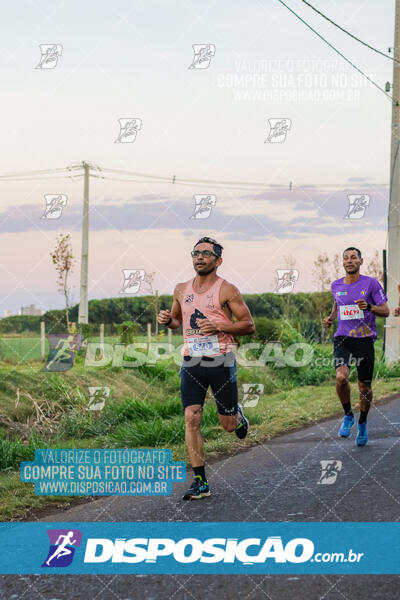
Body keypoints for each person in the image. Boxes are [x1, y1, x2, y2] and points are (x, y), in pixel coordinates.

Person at [158, 236, 255, 499]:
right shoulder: (180, 289)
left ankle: (237, 416)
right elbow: (178, 321)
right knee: (192, 416)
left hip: (221, 360)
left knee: (227, 425)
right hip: (192, 360)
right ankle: (200, 481)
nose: (199, 257)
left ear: (218, 260)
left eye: (206, 253)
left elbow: (248, 325)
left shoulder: (228, 290)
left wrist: (220, 326)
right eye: (195, 253)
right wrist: (167, 320)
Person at [323, 247, 389, 446]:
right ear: (342, 263)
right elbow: (337, 304)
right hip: (343, 338)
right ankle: (348, 415)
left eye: (353, 257)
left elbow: (385, 311)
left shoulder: (371, 283)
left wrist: (369, 307)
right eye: (346, 258)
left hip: (364, 339)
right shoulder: (336, 285)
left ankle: (362, 422)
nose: (349, 261)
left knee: (364, 386)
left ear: (360, 261)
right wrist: (330, 318)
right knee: (341, 377)